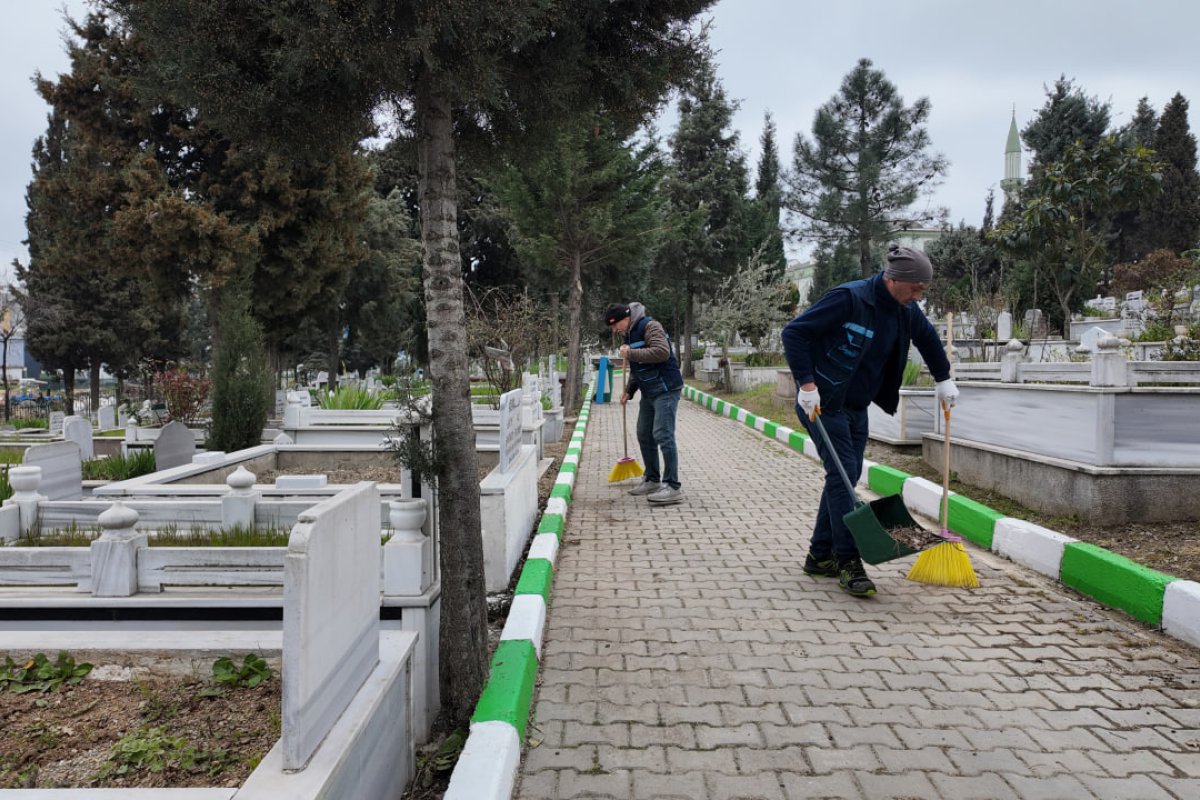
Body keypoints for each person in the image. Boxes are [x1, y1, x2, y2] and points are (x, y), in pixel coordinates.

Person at [781, 245, 958, 597]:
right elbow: (794, 333)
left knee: (844, 476)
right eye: (916, 288)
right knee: (843, 475)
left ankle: (820, 556)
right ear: (894, 280)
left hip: (856, 405)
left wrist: (943, 379)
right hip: (822, 403)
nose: (919, 296)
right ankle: (848, 562)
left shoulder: (906, 310)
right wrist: (806, 384)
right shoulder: (850, 299)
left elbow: (927, 339)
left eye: (923, 289)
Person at [604, 301, 685, 505]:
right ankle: (652, 479)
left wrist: (630, 353)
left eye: (615, 325)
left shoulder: (651, 326)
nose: (615, 330)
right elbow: (637, 369)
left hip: (666, 388)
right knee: (643, 433)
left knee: (662, 434)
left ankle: (672, 486)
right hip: (649, 391)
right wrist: (629, 391)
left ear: (626, 318)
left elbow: (661, 352)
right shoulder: (630, 335)